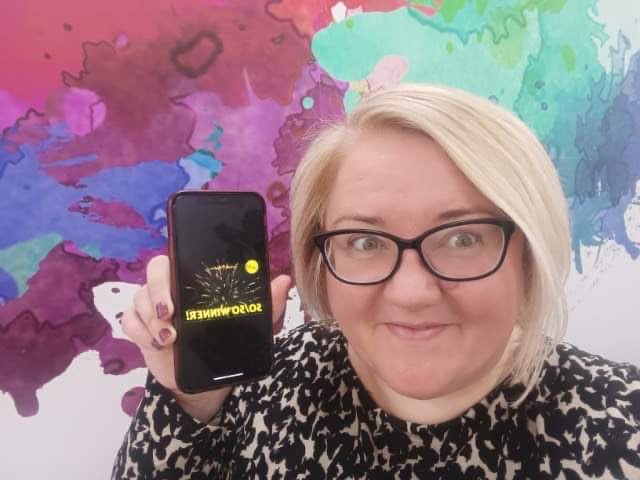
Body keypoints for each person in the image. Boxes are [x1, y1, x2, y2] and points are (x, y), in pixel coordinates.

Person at [112, 84, 640, 479]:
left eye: (462, 239)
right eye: (365, 242)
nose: (411, 294)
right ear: (320, 259)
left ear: (527, 255)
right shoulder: (265, 381)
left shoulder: (621, 422)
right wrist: (192, 403)